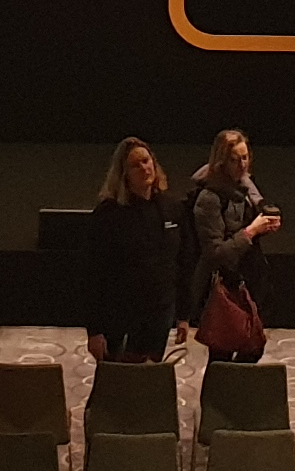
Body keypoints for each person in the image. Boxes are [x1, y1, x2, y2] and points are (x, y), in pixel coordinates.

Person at [83, 135, 195, 364]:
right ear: (124, 175)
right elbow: (91, 275)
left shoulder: (171, 208)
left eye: (147, 161)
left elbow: (183, 264)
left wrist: (183, 315)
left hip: (160, 313)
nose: (145, 168)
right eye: (136, 165)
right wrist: (94, 331)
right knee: (118, 386)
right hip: (120, 317)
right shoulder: (109, 215)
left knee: (149, 382)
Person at [187, 128, 278, 357]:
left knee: (253, 347)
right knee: (223, 354)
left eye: (245, 157)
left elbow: (246, 225)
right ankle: (220, 392)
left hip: (249, 280)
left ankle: (234, 391)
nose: (242, 164)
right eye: (235, 159)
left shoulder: (245, 186)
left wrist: (264, 227)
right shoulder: (209, 198)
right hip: (224, 288)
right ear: (221, 162)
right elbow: (215, 253)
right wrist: (251, 231)